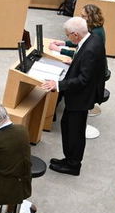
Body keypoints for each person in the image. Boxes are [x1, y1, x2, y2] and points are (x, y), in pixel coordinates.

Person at [40, 16, 107, 175]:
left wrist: (57, 85)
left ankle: (73, 165)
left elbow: (83, 80)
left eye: (68, 35)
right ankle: (69, 158)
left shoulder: (90, 49)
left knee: (74, 132)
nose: (67, 38)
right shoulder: (92, 39)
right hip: (80, 96)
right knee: (68, 126)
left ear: (75, 35)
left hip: (81, 98)